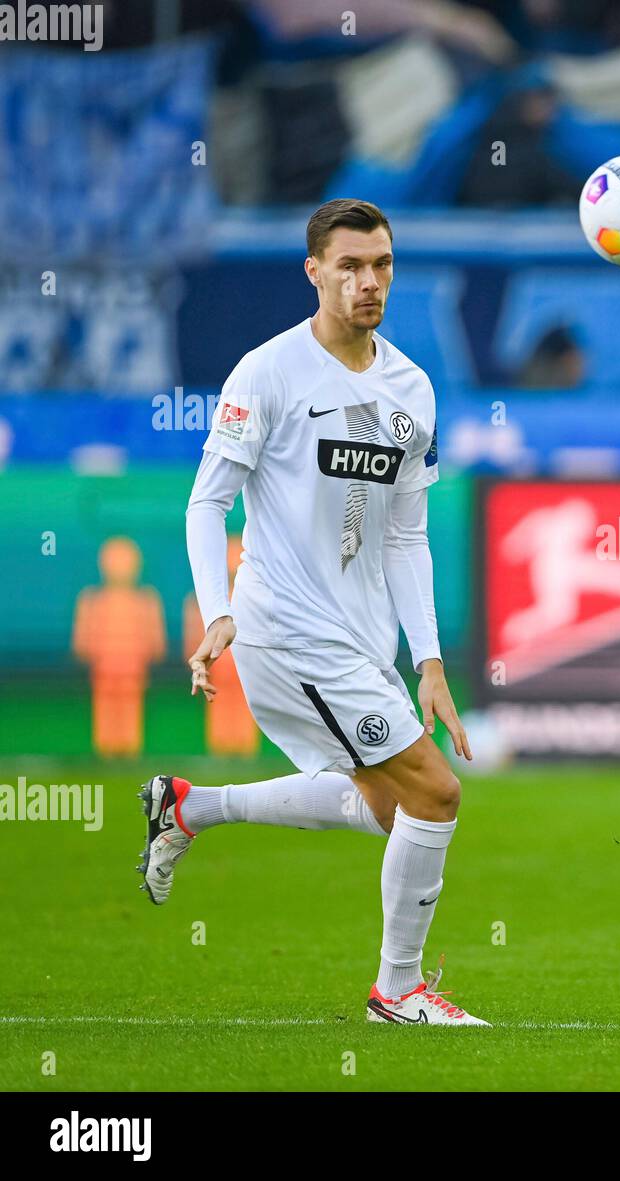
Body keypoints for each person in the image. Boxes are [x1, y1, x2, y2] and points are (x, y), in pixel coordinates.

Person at [140, 198, 488, 1025]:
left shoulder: (412, 386)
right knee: (436, 795)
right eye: (350, 266)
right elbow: (204, 504)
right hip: (286, 630)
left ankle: (189, 806)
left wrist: (429, 659)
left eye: (382, 266)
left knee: (386, 808)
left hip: (363, 640)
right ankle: (397, 990)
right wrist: (217, 611)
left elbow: (406, 534)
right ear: (314, 271)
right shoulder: (267, 372)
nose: (369, 282)